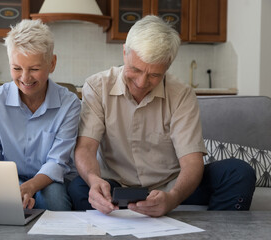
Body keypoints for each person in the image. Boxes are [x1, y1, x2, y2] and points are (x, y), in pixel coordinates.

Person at [68, 15, 256, 217]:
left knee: (239, 173)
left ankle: (216, 235)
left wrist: (173, 198)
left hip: (171, 184)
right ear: (124, 52)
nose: (141, 82)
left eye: (154, 75)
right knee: (80, 187)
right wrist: (95, 181)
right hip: (117, 186)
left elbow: (192, 162)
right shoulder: (97, 87)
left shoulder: (182, 95)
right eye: (135, 69)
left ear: (167, 66)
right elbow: (86, 147)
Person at [0, 19, 81, 211]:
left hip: (50, 179)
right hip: (7, 178)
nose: (25, 78)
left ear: (52, 63)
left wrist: (29, 187)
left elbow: (57, 162)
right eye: (17, 68)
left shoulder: (70, 104)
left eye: (34, 69)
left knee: (53, 199)